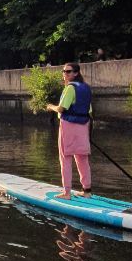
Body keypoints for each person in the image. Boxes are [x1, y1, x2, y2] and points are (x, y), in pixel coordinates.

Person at [46, 62, 92, 199]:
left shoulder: (70, 89)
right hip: (84, 126)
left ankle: (66, 193)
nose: (64, 74)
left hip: (68, 126)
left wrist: (50, 107)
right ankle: (87, 191)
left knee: (65, 158)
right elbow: (89, 110)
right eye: (64, 71)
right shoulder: (86, 87)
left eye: (68, 71)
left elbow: (61, 109)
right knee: (82, 158)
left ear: (76, 73)